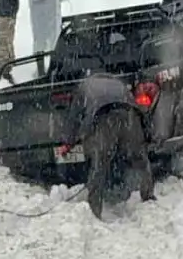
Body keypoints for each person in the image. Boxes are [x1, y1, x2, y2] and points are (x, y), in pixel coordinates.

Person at [61, 74, 154, 219]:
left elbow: (74, 117)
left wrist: (68, 143)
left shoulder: (84, 86)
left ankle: (94, 211)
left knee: (100, 163)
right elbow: (139, 110)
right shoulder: (119, 83)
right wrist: (146, 135)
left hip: (105, 117)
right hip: (129, 115)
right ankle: (148, 196)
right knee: (140, 158)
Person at [28, 0, 71, 72]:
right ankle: (40, 70)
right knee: (40, 46)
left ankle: (54, 69)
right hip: (41, 20)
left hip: (54, 19)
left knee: (56, 45)